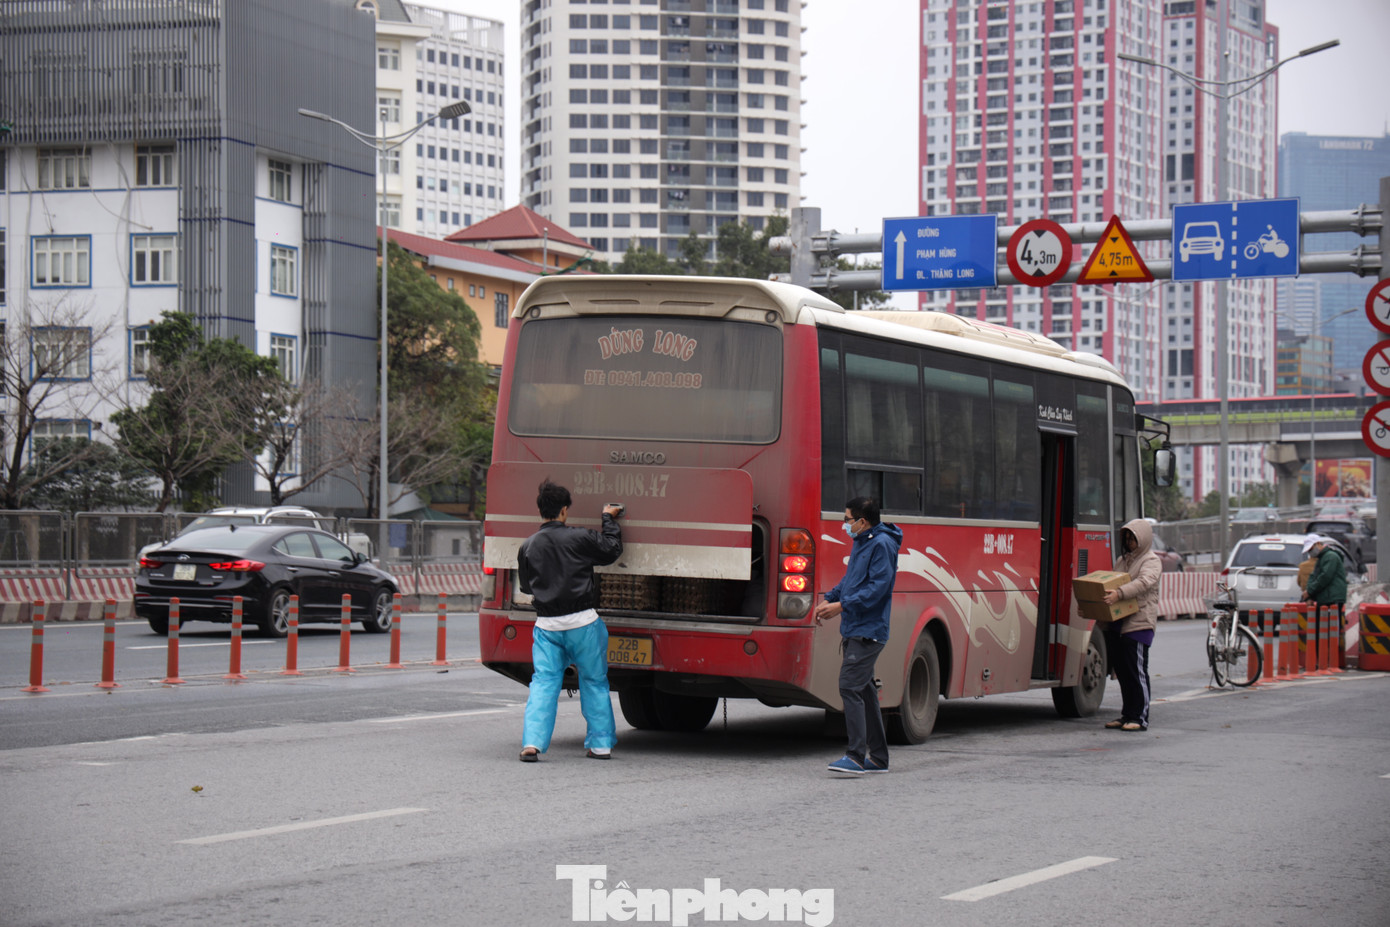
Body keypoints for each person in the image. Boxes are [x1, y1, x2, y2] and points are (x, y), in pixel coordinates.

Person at [516, 480, 624, 762]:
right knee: (594, 682)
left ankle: (532, 743)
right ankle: (600, 745)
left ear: (541, 511)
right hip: (584, 624)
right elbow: (612, 549)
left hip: (547, 627)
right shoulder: (579, 538)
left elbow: (527, 588)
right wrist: (608, 518)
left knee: (543, 683)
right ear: (564, 511)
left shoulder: (528, 546)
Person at [814, 497, 902, 776]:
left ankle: (854, 756)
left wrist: (842, 606)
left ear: (862, 521)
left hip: (869, 630)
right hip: (856, 627)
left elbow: (877, 589)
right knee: (864, 691)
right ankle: (877, 758)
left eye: (847, 519)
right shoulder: (863, 542)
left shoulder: (882, 545)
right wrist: (832, 597)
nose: (844, 524)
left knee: (849, 686)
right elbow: (851, 579)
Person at [1101, 518, 1162, 732]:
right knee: (1124, 673)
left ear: (1142, 539)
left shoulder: (1151, 561)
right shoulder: (1123, 560)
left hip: (1139, 623)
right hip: (1119, 624)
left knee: (1137, 673)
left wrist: (1119, 593)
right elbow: (1111, 582)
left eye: (1133, 538)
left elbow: (1144, 582)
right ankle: (1127, 714)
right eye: (1126, 538)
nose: (1129, 542)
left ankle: (1140, 717)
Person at [1302, 534, 1347, 667]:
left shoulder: (1330, 557)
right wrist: (1309, 593)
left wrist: (1310, 592)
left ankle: (1327, 661)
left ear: (1318, 544)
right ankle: (1322, 661)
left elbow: (1325, 577)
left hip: (1332, 599)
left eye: (1311, 549)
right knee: (1322, 630)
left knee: (1327, 631)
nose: (1311, 553)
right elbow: (1314, 576)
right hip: (1325, 598)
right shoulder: (1322, 558)